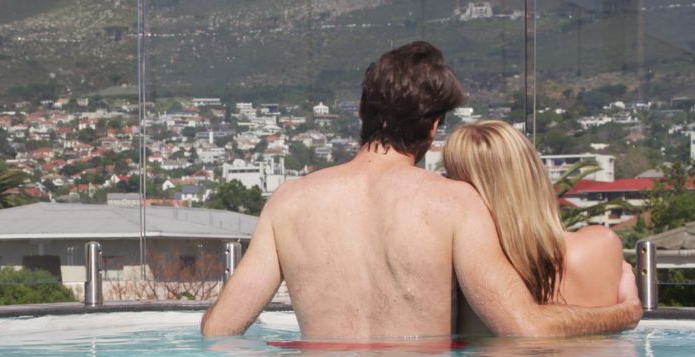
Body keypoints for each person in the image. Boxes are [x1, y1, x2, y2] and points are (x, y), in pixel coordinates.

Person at [201, 41, 641, 339]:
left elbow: (218, 330)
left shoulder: (288, 202)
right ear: (433, 127)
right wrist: (624, 313)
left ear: (360, 109)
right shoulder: (454, 204)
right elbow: (524, 327)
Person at [442, 120, 624, 335]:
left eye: (450, 178)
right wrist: (628, 310)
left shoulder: (467, 270)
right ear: (532, 172)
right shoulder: (603, 243)